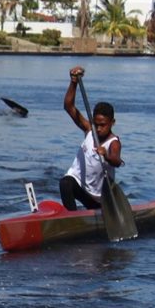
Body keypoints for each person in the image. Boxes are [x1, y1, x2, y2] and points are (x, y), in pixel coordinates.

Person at [59, 65, 123, 210]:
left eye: (103, 125)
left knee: (95, 207)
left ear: (112, 123)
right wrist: (74, 82)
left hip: (98, 196)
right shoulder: (89, 129)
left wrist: (106, 155)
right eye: (96, 124)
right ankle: (72, 218)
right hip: (79, 185)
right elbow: (69, 107)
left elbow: (117, 161)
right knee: (65, 183)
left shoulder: (113, 143)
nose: (99, 128)